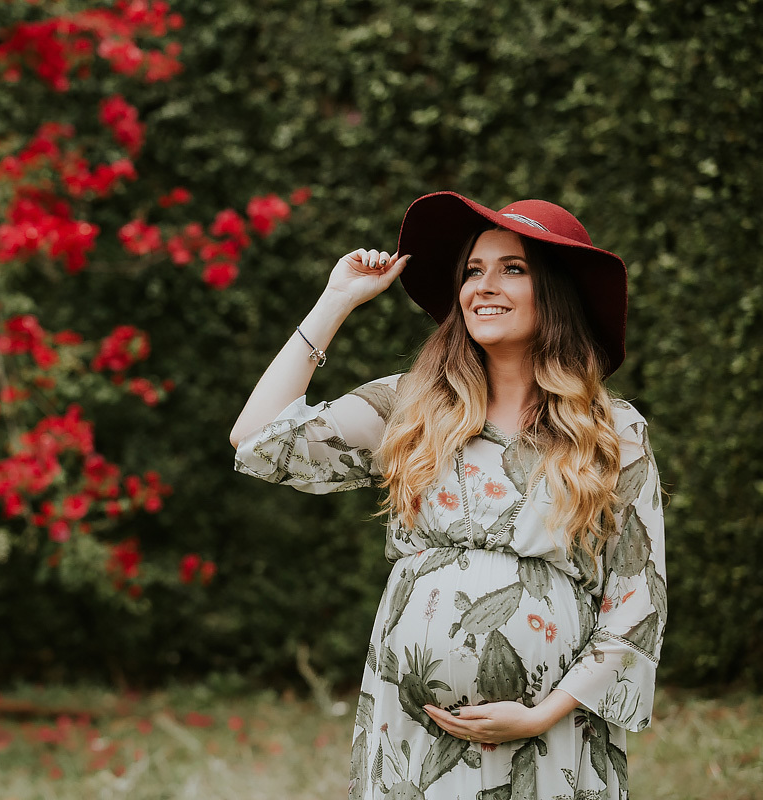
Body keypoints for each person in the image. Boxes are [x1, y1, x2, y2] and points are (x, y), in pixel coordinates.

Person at [229, 191, 665, 799]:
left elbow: (636, 602)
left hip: (551, 733)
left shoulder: (613, 431)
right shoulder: (412, 406)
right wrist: (335, 301)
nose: (483, 286)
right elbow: (256, 441)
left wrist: (544, 713)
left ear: (557, 293)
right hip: (412, 731)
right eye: (472, 271)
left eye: (512, 269)